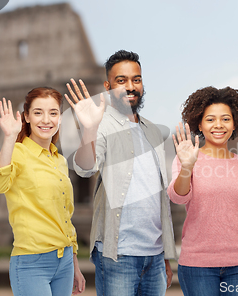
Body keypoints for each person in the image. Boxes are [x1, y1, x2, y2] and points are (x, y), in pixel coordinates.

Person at [64, 50, 176, 296]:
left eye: (136, 79)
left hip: (155, 256)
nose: (130, 86)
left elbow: (159, 198)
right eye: (121, 80)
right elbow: (84, 168)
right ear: (108, 86)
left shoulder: (154, 132)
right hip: (118, 254)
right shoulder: (102, 125)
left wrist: (165, 256)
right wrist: (90, 129)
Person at [0, 88, 85, 296]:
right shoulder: (18, 152)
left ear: (60, 118)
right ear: (27, 117)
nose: (46, 120)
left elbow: (66, 217)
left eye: (53, 113)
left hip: (65, 261)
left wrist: (74, 264)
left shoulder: (59, 160)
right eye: (38, 112)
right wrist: (9, 138)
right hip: (32, 262)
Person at [167, 86, 238, 296]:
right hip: (198, 265)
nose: (218, 125)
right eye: (210, 119)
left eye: (225, 119)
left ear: (234, 123)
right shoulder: (186, 158)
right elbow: (177, 197)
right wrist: (187, 168)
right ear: (199, 124)